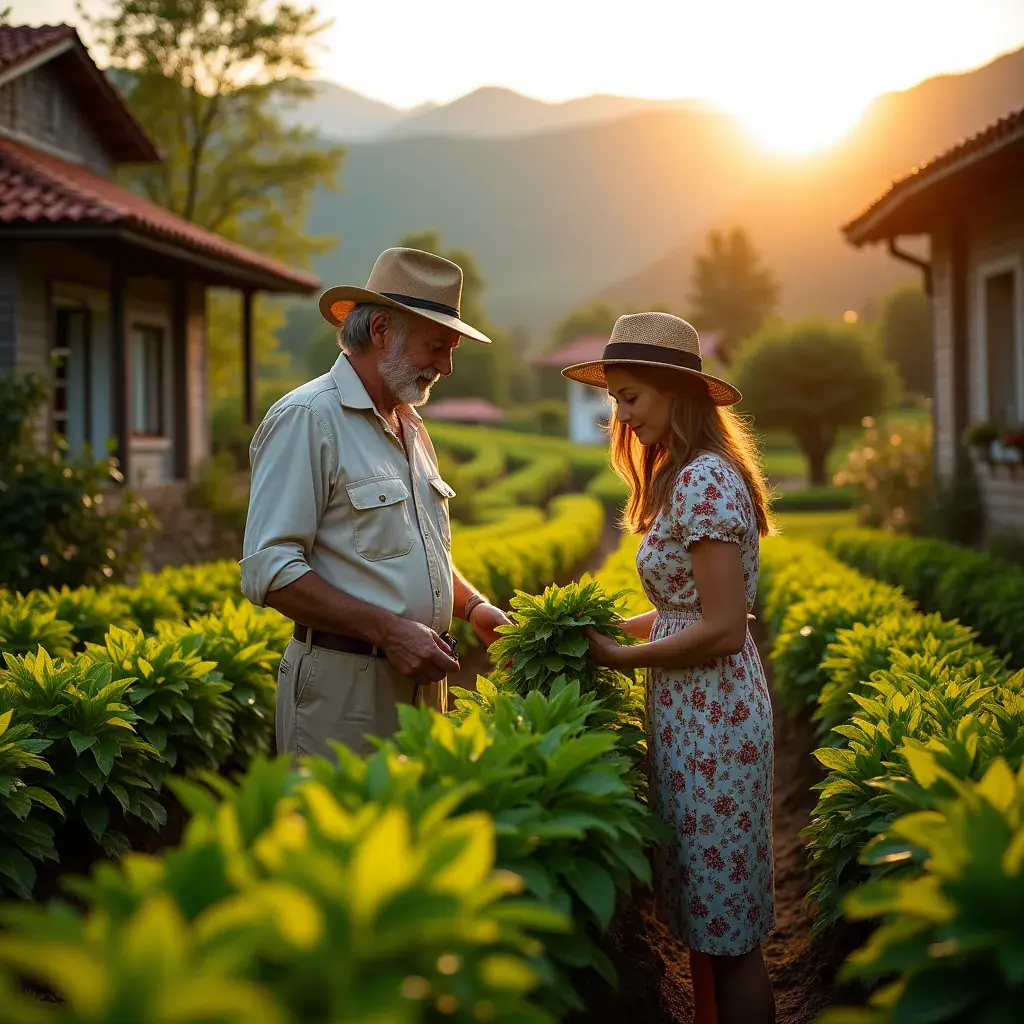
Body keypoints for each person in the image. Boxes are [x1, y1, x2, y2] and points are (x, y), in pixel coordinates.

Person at [562, 312, 777, 1024]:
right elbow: (686, 610)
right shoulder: (684, 477)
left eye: (631, 397)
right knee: (704, 914)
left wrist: (625, 657)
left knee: (729, 930)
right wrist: (608, 628)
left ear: (676, 393)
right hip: (691, 716)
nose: (618, 415)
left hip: (714, 716)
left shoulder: (705, 481)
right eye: (615, 398)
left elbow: (720, 630)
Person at [240, 247, 510, 762]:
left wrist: (472, 607)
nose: (447, 367)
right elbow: (270, 572)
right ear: (382, 330)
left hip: (422, 686)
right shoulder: (308, 418)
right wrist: (390, 631)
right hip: (344, 691)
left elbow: (416, 549)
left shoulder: (410, 427)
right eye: (437, 346)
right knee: (339, 835)